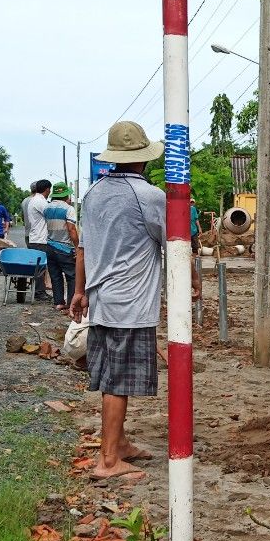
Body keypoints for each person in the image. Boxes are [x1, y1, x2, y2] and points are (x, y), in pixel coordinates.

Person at [70, 120, 199, 480]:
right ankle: (109, 460)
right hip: (128, 304)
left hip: (101, 298)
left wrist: (79, 292)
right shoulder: (149, 197)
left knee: (111, 375)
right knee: (118, 382)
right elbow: (176, 244)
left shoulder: (94, 193)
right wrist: (192, 281)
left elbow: (82, 247)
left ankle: (120, 443)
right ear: (144, 158)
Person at [44, 183, 79, 310]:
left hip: (50, 246)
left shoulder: (47, 208)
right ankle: (71, 303)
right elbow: (72, 230)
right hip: (64, 247)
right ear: (66, 195)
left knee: (55, 276)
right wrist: (77, 246)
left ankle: (58, 302)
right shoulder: (68, 209)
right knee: (72, 276)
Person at [25, 179, 52, 302]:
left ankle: (39, 291)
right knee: (40, 267)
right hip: (39, 239)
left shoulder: (34, 200)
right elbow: (51, 214)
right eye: (49, 190)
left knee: (39, 267)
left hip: (35, 237)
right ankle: (39, 292)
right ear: (47, 189)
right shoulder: (40, 201)